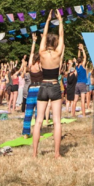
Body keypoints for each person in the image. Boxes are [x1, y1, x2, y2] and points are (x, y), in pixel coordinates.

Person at [32, 10, 65, 158]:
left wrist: (47, 21)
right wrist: (60, 21)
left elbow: (44, 36)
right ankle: (57, 153)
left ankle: (34, 153)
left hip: (43, 86)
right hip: (54, 86)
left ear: (46, 43)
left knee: (38, 121)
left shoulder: (42, 53)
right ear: (56, 43)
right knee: (57, 121)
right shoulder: (58, 53)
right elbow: (62, 35)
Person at [23, 34, 41, 136]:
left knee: (28, 111)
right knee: (38, 113)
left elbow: (31, 52)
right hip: (39, 89)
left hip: (31, 89)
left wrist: (34, 41)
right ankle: (37, 132)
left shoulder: (31, 64)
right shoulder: (40, 65)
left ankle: (26, 133)